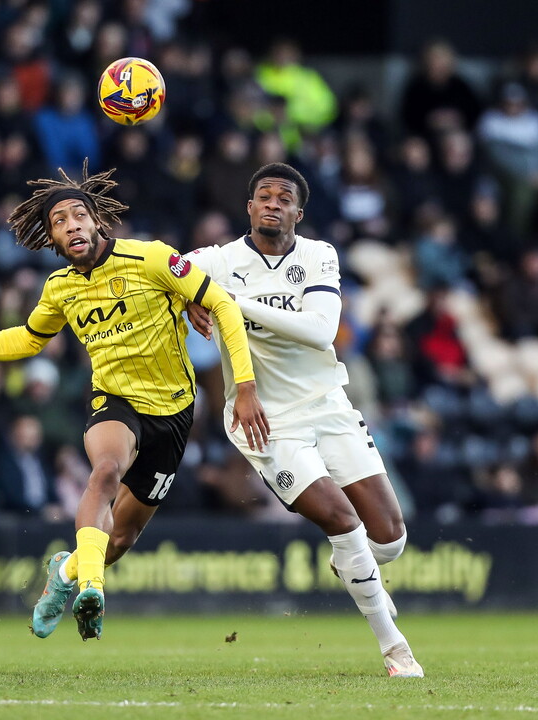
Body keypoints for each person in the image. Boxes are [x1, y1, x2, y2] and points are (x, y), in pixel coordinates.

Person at [0, 163, 268, 640]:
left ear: (97, 221)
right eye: (59, 222)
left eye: (78, 215)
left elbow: (222, 304)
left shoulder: (151, 259)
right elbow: (27, 338)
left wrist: (243, 386)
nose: (71, 225)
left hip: (174, 411)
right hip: (115, 401)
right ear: (52, 240)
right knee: (104, 471)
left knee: (117, 541)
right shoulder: (59, 289)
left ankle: (65, 573)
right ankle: (93, 593)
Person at [184, 162, 424, 678]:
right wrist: (184, 298)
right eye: (263, 195)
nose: (273, 202)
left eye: (283, 197)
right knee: (343, 521)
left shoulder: (320, 255)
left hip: (329, 405)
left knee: (390, 539)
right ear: (248, 208)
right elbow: (166, 270)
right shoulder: (218, 261)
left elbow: (320, 331)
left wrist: (227, 303)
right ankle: (393, 645)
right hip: (267, 421)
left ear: (298, 211)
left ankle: (355, 569)